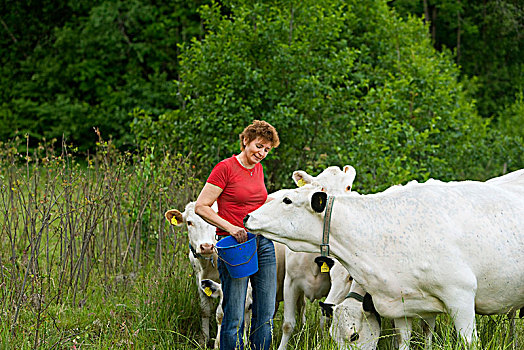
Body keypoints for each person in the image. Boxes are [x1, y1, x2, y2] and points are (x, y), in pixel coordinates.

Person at [195, 120, 280, 350]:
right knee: (234, 315)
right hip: (235, 247)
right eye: (259, 146)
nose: (261, 153)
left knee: (265, 313)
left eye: (266, 150)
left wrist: (289, 202)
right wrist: (231, 228)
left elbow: (257, 201)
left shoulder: (258, 169)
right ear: (245, 141)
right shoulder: (225, 168)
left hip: (262, 243)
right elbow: (201, 206)